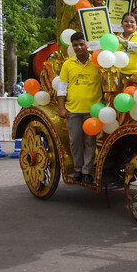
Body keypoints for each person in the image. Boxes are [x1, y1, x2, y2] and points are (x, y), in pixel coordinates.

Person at [57, 32, 102, 184]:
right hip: (73, 110)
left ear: (87, 44)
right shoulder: (68, 64)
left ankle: (87, 171)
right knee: (75, 141)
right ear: (72, 47)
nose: (79, 47)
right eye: (76, 45)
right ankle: (78, 169)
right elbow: (62, 88)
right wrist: (61, 108)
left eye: (82, 44)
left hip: (93, 110)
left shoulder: (97, 62)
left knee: (90, 142)